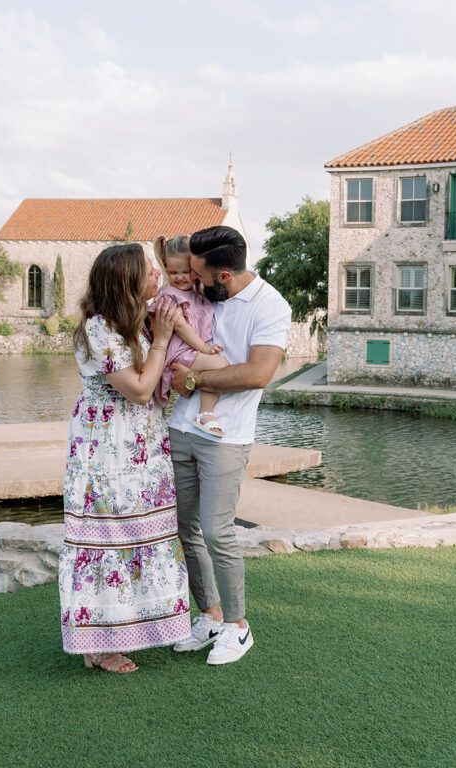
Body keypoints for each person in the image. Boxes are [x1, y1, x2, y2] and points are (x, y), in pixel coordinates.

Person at [58, 243, 190, 674]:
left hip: (142, 448)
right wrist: (163, 341)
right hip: (106, 451)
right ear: (128, 282)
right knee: (108, 541)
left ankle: (135, 629)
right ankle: (97, 645)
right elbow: (137, 388)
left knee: (139, 535)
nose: (159, 278)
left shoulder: (133, 325)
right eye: (152, 272)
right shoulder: (99, 331)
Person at [167, 225, 291, 665]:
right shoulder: (200, 295)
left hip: (226, 436)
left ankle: (239, 627)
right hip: (181, 428)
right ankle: (211, 617)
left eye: (199, 276)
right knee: (186, 530)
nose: (192, 282)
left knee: (217, 531)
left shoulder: (270, 305)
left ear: (224, 276)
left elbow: (257, 373)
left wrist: (195, 379)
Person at [151, 235, 230, 437]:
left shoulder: (196, 292)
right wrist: (204, 348)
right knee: (220, 366)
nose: (180, 277)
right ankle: (205, 413)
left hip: (190, 348)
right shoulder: (170, 295)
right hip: (179, 351)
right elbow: (181, 326)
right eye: (173, 272)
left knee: (216, 366)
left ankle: (198, 398)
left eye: (186, 272)